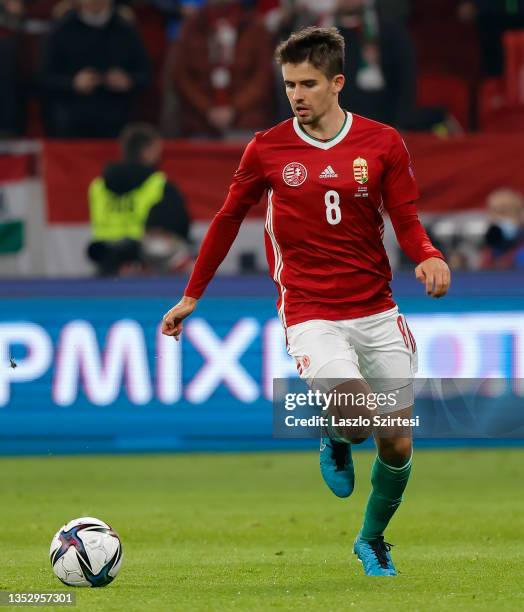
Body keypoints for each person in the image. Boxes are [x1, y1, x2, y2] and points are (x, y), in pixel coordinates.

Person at [161, 27, 450, 576]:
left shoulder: (383, 142)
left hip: (376, 309)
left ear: (337, 83)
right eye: (289, 83)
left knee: (397, 445)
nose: (296, 94)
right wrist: (192, 294)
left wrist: (428, 254)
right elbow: (226, 220)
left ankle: (371, 540)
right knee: (359, 418)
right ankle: (336, 435)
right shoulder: (267, 149)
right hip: (310, 311)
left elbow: (406, 219)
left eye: (308, 83)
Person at [88, 123, 191, 276]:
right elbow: (177, 226)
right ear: (147, 150)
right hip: (144, 258)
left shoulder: (97, 185)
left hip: (105, 255)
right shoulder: (159, 184)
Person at [39, 0, 150, 138]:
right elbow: (44, 78)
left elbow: (145, 74)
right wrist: (73, 83)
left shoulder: (125, 30)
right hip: (72, 123)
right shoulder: (62, 31)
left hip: (116, 122)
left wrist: (128, 80)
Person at [481, 188, 524, 269]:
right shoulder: (488, 251)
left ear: (520, 216)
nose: (499, 217)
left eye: (505, 211)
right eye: (494, 211)